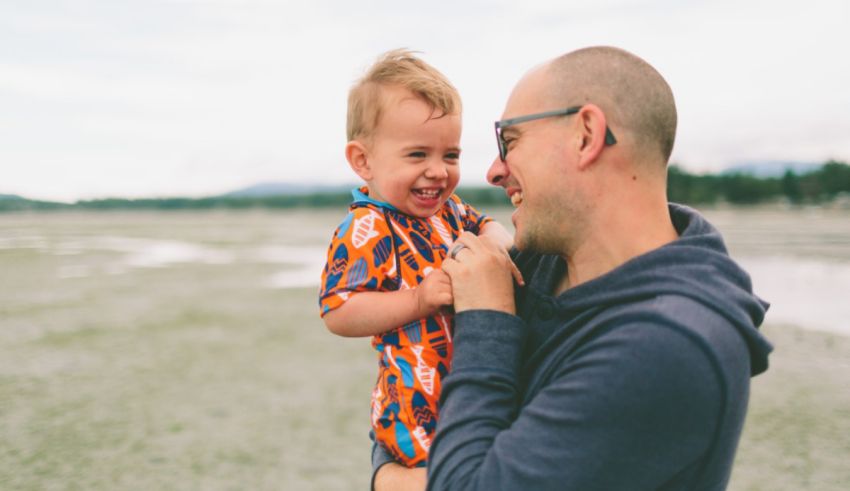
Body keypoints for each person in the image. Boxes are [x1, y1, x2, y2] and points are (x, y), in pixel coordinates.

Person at [372, 46, 773, 490]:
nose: (493, 170)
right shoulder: (540, 264)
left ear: (586, 135)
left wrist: (486, 319)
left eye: (510, 140)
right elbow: (415, 410)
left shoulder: (668, 346)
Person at [319, 49, 517, 470]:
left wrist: (497, 244)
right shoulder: (367, 228)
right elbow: (339, 310)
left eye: (450, 156)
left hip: (467, 387)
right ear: (363, 160)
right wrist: (418, 300)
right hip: (414, 406)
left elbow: (486, 225)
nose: (438, 172)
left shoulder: (448, 209)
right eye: (417, 155)